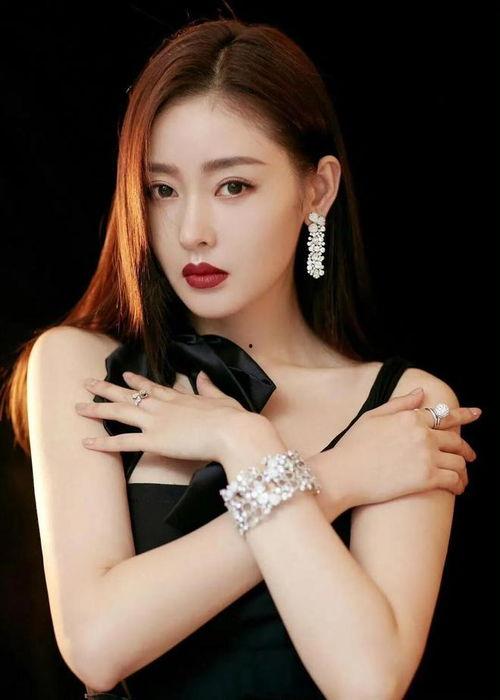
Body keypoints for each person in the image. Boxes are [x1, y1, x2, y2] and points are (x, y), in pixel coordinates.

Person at [0, 15, 482, 700]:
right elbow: (98, 645)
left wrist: (248, 450)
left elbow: (367, 681)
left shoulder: (406, 407)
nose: (192, 231)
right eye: (163, 190)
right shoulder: (81, 367)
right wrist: (323, 473)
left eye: (233, 186)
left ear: (317, 190)